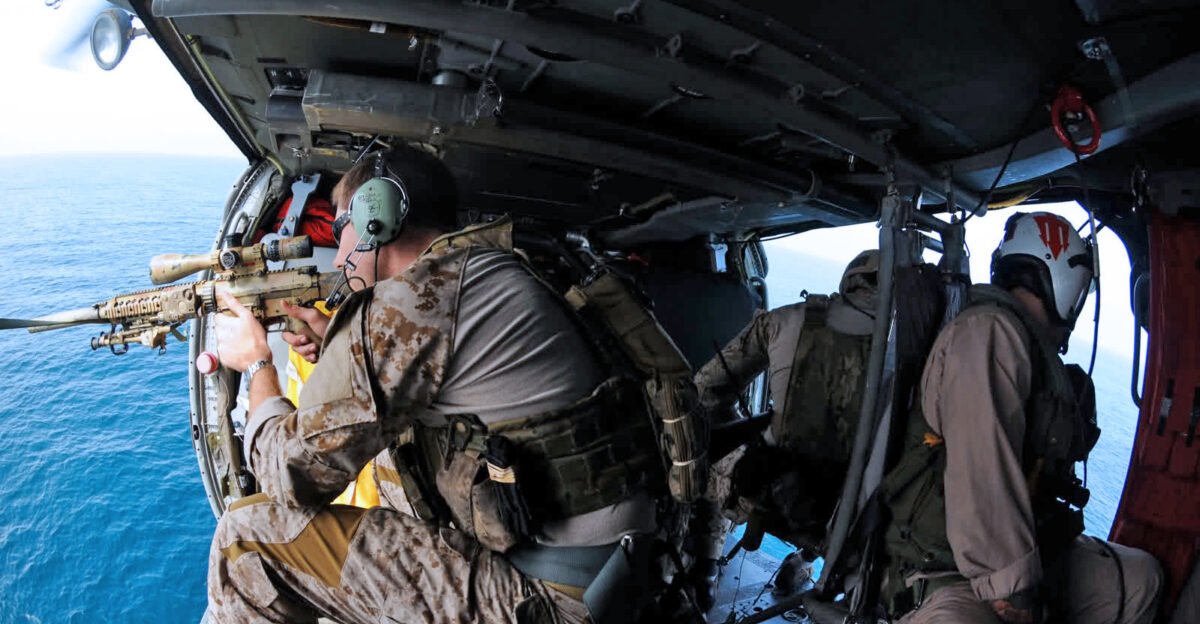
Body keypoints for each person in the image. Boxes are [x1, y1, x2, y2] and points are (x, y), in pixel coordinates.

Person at [206, 148, 682, 624]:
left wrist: (256, 364)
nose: (343, 250)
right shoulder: (485, 271)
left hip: (552, 603)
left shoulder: (413, 300)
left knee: (244, 540)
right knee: (392, 455)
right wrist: (333, 342)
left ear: (377, 218)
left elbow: (289, 475)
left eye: (340, 229)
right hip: (614, 577)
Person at [880, 211, 1163, 623]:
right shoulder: (989, 334)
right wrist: (1016, 592)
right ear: (1069, 286)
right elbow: (983, 473)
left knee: (1141, 579)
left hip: (1027, 554)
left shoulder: (1020, 341)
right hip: (941, 571)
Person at [688, 250, 879, 600]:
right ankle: (805, 561)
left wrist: (754, 428)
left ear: (851, 280)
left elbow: (704, 389)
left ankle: (706, 568)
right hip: (845, 517)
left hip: (761, 493)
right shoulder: (905, 348)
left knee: (700, 469)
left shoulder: (787, 319)